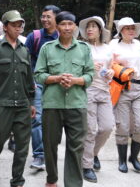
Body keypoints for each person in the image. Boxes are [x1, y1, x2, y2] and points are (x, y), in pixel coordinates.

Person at [34, 11, 94, 187]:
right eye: (63, 24)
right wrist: (57, 78)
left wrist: (75, 81)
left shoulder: (84, 49)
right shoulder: (47, 48)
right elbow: (38, 75)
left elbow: (90, 75)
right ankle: (51, 179)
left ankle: (73, 184)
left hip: (77, 104)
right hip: (53, 104)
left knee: (76, 148)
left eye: (70, 24)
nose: (67, 27)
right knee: (50, 145)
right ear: (57, 26)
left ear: (74, 27)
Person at [0, 10, 35, 187]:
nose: (18, 28)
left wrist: (31, 102)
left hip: (22, 105)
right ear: (4, 27)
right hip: (1, 105)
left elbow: (29, 79)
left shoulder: (25, 50)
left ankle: (17, 181)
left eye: (20, 25)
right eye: (14, 25)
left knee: (22, 147)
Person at [110, 16, 140, 173]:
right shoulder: (113, 46)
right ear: (121, 31)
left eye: (133, 28)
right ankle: (122, 161)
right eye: (127, 28)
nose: (131, 30)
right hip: (122, 89)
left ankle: (133, 157)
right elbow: (109, 67)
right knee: (123, 125)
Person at [78, 16, 115, 182]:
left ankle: (92, 154)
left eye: (93, 26)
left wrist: (110, 73)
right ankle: (87, 166)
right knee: (91, 129)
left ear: (100, 30)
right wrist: (89, 67)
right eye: (87, 27)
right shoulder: (82, 47)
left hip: (104, 90)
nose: (90, 29)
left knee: (107, 127)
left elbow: (111, 68)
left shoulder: (108, 49)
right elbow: (75, 68)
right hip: (88, 90)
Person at [23, 4, 61, 170]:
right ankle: (39, 155)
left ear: (56, 19)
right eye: (43, 16)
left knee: (54, 121)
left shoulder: (63, 36)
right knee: (36, 118)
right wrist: (30, 80)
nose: (44, 19)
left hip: (57, 84)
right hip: (37, 83)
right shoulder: (35, 36)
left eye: (48, 17)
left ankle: (50, 152)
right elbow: (25, 60)